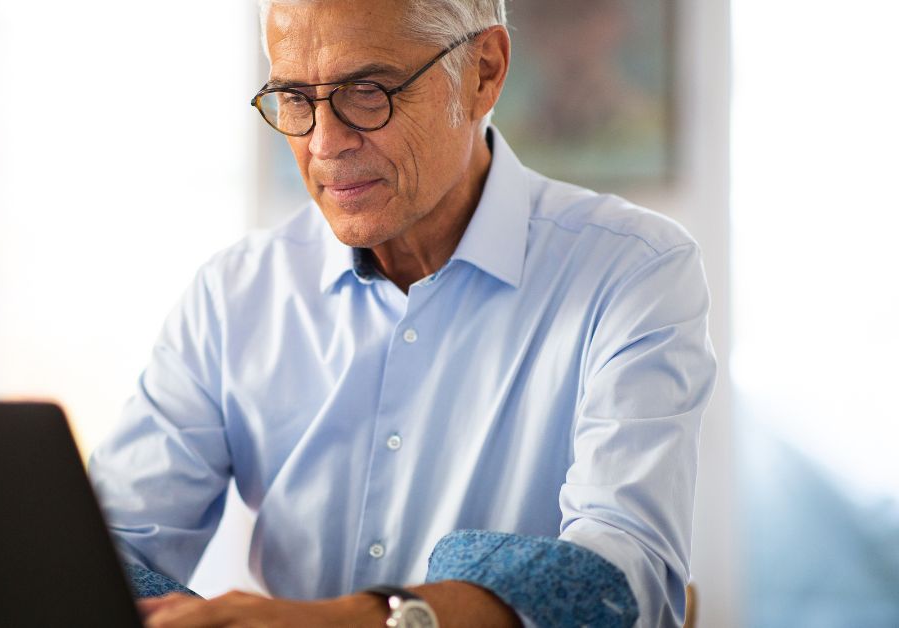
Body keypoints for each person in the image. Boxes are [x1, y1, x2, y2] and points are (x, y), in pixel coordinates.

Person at [89, 0, 716, 626]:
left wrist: (360, 620)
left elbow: (622, 579)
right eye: (294, 98)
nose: (324, 143)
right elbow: (103, 551)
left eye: (367, 91)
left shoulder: (634, 272)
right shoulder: (234, 296)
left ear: (483, 72)